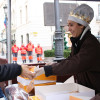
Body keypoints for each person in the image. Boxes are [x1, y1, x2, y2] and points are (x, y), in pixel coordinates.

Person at [33, 4, 100, 94]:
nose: (69, 29)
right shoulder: (78, 41)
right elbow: (71, 59)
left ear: (81, 25)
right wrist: (55, 64)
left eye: (71, 25)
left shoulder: (90, 43)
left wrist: (48, 69)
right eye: (68, 25)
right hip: (87, 89)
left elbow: (75, 64)